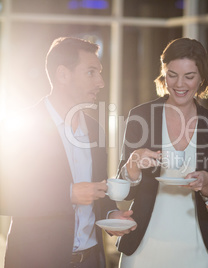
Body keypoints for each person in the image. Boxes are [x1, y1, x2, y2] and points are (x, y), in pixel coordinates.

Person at [0, 37, 135, 268]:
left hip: (91, 260)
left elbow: (98, 193)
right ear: (63, 75)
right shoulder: (21, 126)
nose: (101, 82)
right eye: (91, 73)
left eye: (100, 73)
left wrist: (111, 214)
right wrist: (68, 194)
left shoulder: (94, 129)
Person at [115, 37, 208, 268]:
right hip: (142, 246)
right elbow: (123, 194)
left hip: (196, 246)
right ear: (163, 73)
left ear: (202, 78)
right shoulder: (140, 116)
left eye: (189, 76)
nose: (179, 84)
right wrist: (133, 164)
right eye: (172, 74)